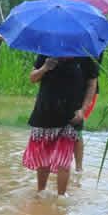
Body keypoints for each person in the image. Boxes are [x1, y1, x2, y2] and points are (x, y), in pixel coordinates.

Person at [23, 55, 99, 195]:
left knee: (64, 161)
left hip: (72, 115)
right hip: (45, 112)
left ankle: (61, 197)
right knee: (43, 158)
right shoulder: (46, 53)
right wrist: (45, 67)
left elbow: (92, 84)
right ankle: (41, 193)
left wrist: (83, 109)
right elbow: (33, 78)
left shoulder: (85, 56)